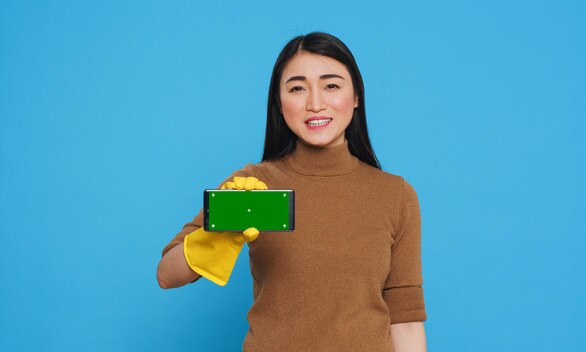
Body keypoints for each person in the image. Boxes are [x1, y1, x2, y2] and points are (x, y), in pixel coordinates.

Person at [157, 31, 427, 351]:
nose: (315, 103)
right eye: (297, 88)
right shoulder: (255, 186)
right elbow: (167, 275)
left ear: (356, 96)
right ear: (279, 103)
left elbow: (406, 320)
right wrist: (218, 235)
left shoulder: (394, 195)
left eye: (331, 85)